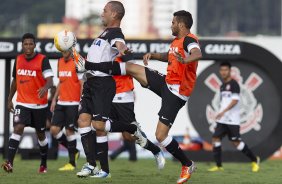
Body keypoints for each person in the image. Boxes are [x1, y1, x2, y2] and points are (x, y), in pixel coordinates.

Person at [74, 10, 201, 184]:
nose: (171, 25)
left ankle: (187, 164)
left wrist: (187, 60)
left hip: (177, 93)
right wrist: (154, 55)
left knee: (160, 136)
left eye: (172, 23)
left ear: (180, 24)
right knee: (131, 67)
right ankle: (89, 66)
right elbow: (171, 56)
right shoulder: (176, 42)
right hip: (166, 83)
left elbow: (196, 53)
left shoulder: (189, 39)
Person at [75, 1, 147, 178]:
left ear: (114, 15)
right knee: (83, 121)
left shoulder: (115, 32)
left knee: (99, 125)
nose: (102, 13)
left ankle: (131, 128)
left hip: (102, 84)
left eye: (105, 11)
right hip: (91, 83)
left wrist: (123, 50)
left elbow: (119, 44)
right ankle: (91, 165)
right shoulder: (105, 32)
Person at [94, 55, 165, 178]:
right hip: (106, 97)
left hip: (123, 97)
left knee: (128, 136)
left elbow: (134, 68)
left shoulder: (123, 54)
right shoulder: (102, 53)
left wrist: (125, 55)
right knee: (99, 127)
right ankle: (104, 170)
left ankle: (156, 150)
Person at [1, 33, 54, 173]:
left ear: (35, 45)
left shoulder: (43, 60)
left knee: (41, 135)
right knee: (18, 128)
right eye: (26, 44)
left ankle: (43, 164)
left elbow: (50, 80)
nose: (28, 46)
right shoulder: (18, 60)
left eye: (31, 44)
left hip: (39, 106)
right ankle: (9, 163)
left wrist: (45, 87)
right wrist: (9, 99)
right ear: (22, 45)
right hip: (22, 104)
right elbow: (15, 81)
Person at [207, 62, 260, 172]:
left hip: (233, 120)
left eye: (226, 70)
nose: (223, 72)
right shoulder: (222, 85)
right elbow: (224, 101)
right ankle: (218, 166)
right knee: (215, 138)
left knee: (236, 143)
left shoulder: (234, 84)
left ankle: (255, 160)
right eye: (221, 70)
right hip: (222, 120)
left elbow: (235, 100)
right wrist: (220, 112)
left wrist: (223, 111)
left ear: (230, 71)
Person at [49, 50, 82, 171]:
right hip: (61, 102)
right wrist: (54, 99)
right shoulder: (60, 61)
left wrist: (82, 101)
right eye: (61, 49)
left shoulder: (77, 61)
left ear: (70, 49)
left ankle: (72, 163)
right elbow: (61, 82)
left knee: (69, 131)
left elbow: (82, 82)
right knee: (54, 130)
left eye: (66, 48)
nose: (63, 52)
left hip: (73, 103)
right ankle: (74, 151)